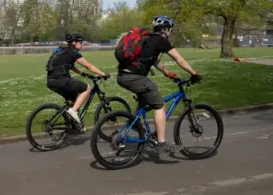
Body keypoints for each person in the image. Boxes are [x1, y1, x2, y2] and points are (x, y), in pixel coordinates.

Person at [116, 16, 202, 153]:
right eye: (170, 31)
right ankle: (161, 142)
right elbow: (179, 59)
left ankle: (135, 123)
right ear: (166, 30)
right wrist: (194, 73)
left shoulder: (147, 39)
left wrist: (166, 72)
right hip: (134, 77)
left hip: (122, 76)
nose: (170, 33)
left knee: (145, 101)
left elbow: (153, 60)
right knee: (159, 105)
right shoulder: (161, 41)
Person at [46, 33, 110, 129]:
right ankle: (73, 111)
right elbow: (89, 66)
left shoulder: (63, 50)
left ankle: (73, 125)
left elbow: (70, 65)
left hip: (51, 81)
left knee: (77, 99)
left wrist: (82, 74)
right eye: (81, 42)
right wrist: (103, 74)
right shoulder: (74, 53)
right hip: (61, 80)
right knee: (87, 88)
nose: (82, 44)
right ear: (74, 42)